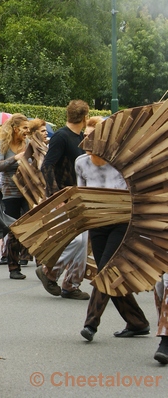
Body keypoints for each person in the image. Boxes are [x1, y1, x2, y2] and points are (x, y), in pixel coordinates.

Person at [77, 117, 149, 342]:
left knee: (106, 270)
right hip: (97, 222)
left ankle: (91, 323)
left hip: (122, 221)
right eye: (86, 136)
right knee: (110, 273)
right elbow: (82, 191)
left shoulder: (122, 160)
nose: (88, 140)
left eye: (93, 136)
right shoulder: (81, 162)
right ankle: (137, 321)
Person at [36, 100, 90, 301]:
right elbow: (47, 166)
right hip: (64, 197)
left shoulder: (80, 137)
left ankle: (71, 284)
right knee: (75, 240)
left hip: (77, 196)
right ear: (84, 117)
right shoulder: (61, 136)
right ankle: (50, 271)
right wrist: (55, 196)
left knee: (83, 242)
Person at [0, 114, 30, 281]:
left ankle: (28, 257)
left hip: (28, 190)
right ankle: (14, 267)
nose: (27, 131)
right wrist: (15, 158)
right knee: (14, 229)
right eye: (25, 128)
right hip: (10, 191)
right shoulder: (3, 145)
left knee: (29, 226)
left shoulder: (28, 143)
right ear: (16, 129)